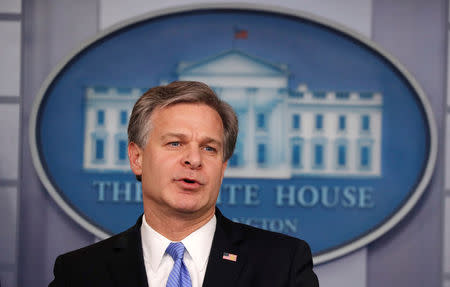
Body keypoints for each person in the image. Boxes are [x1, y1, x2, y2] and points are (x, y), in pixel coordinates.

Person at [49, 81, 319, 286]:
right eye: (175, 143)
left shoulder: (283, 264)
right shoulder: (79, 273)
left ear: (223, 167)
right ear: (137, 157)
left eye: (209, 148)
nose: (193, 159)